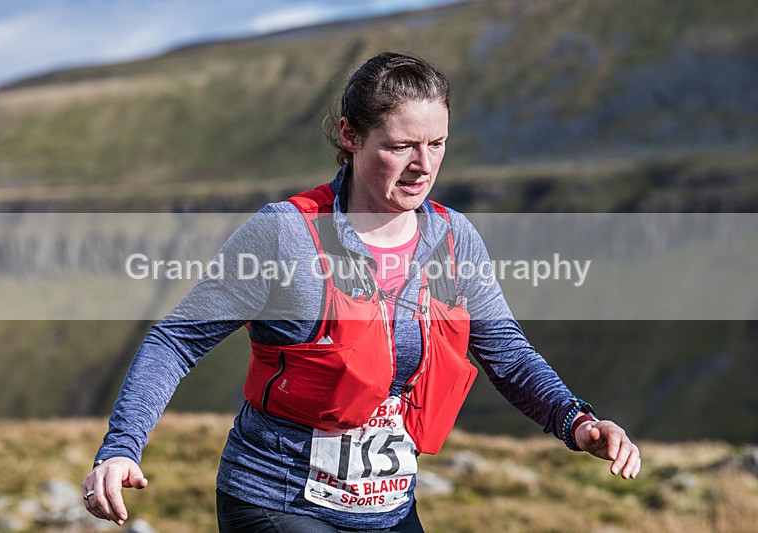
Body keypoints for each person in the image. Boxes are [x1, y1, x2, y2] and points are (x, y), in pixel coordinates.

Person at [82, 52, 640, 532]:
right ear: (350, 136)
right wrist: (121, 447)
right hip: (273, 500)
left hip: (390, 510)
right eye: (401, 147)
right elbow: (176, 341)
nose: (423, 167)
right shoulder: (284, 233)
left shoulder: (454, 239)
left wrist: (577, 421)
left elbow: (507, 353)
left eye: (437, 143)